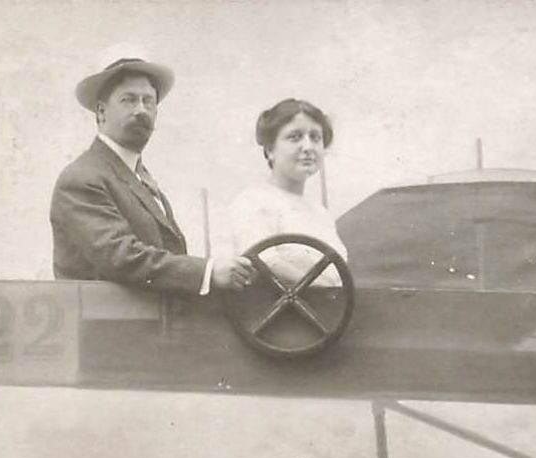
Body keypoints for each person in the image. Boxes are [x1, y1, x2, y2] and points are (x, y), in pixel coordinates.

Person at [51, 45, 254, 294]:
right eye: (128, 100)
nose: (141, 110)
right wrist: (208, 272)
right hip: (101, 326)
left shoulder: (140, 177)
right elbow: (120, 257)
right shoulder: (83, 178)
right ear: (101, 112)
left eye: (148, 101)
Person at [228, 98, 349, 288]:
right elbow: (265, 261)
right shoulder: (253, 202)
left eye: (315, 137)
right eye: (295, 137)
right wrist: (327, 290)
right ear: (270, 150)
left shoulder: (320, 212)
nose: (308, 147)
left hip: (328, 313)